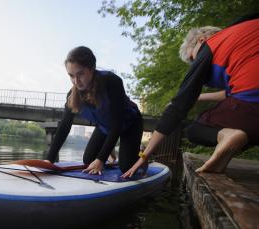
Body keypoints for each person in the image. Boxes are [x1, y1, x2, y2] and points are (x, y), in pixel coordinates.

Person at [122, 15, 259, 177]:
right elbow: (232, 94)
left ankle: (227, 135)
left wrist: (144, 156)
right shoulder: (245, 32)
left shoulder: (209, 47)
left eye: (192, 58)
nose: (195, 64)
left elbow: (178, 107)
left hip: (253, 107)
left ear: (201, 40)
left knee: (194, 130)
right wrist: (198, 97)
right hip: (250, 98)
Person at [46, 46, 143, 175]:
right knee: (88, 160)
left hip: (130, 124)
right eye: (71, 76)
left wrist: (101, 159)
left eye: (80, 74)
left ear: (92, 69)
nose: (76, 81)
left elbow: (117, 124)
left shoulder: (112, 82)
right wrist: (49, 160)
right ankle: (109, 149)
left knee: (126, 167)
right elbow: (64, 126)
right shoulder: (72, 95)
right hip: (105, 127)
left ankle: (142, 157)